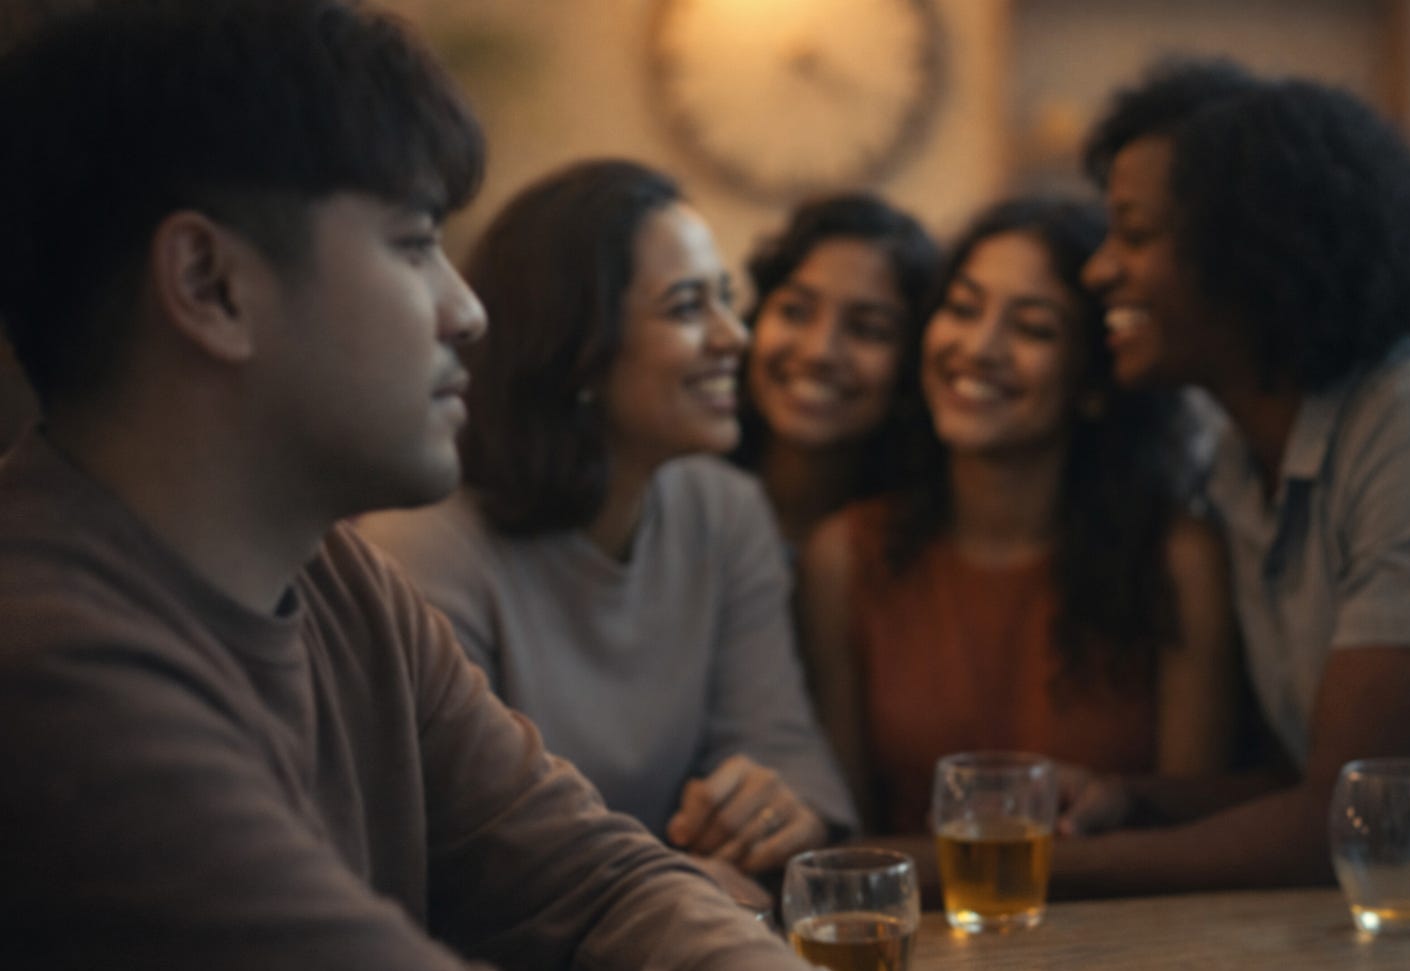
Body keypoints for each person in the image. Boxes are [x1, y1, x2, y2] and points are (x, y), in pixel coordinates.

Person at [0, 3, 815, 968]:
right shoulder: (50, 664)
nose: (468, 311)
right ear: (211, 284)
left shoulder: (338, 581)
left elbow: (594, 881)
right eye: (416, 244)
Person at [357, 159, 857, 878]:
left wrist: (777, 810)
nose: (734, 337)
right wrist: (679, 887)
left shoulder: (725, 509)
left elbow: (787, 751)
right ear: (575, 348)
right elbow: (470, 845)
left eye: (725, 300)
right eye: (687, 308)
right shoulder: (425, 544)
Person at [1054, 58, 1410, 896]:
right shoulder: (1239, 461)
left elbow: (1367, 817)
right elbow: (1307, 784)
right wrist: (1133, 798)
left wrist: (996, 871)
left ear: (1253, 246)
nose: (1098, 270)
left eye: (1134, 234)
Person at [796, 195, 1236, 854]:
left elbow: (1191, 828)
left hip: (1134, 912)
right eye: (962, 309)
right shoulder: (844, 557)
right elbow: (848, 843)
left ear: (1094, 381)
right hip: (922, 910)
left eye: (1032, 328)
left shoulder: (1179, 559)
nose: (979, 348)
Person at [731, 194, 939, 551]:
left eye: (867, 329)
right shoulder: (674, 492)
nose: (820, 352)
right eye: (795, 312)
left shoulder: (921, 545)